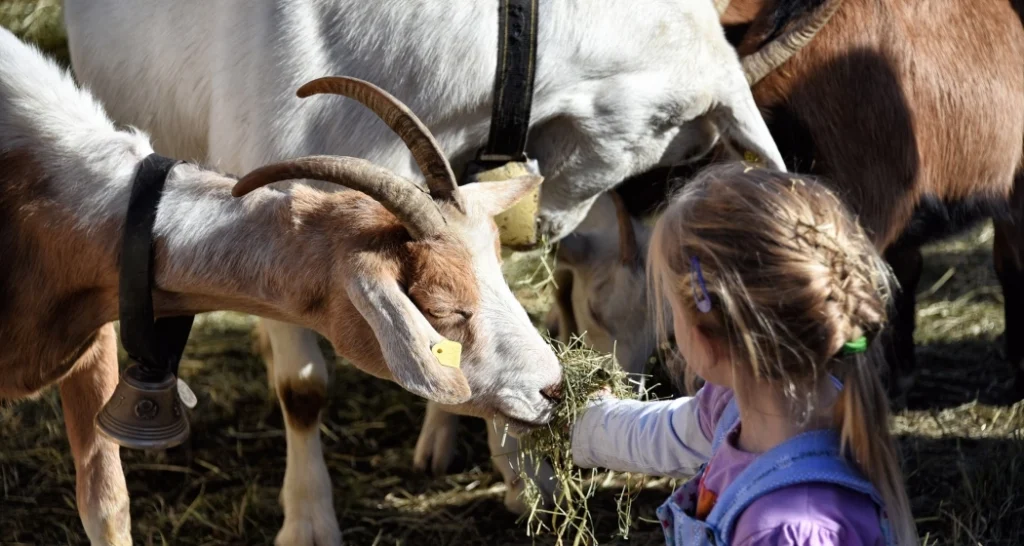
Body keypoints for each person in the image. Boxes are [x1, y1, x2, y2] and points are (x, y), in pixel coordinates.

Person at [570, 163, 918, 545]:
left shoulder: (790, 529)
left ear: (705, 336)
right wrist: (579, 421)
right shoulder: (738, 407)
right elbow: (666, 434)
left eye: (671, 308)